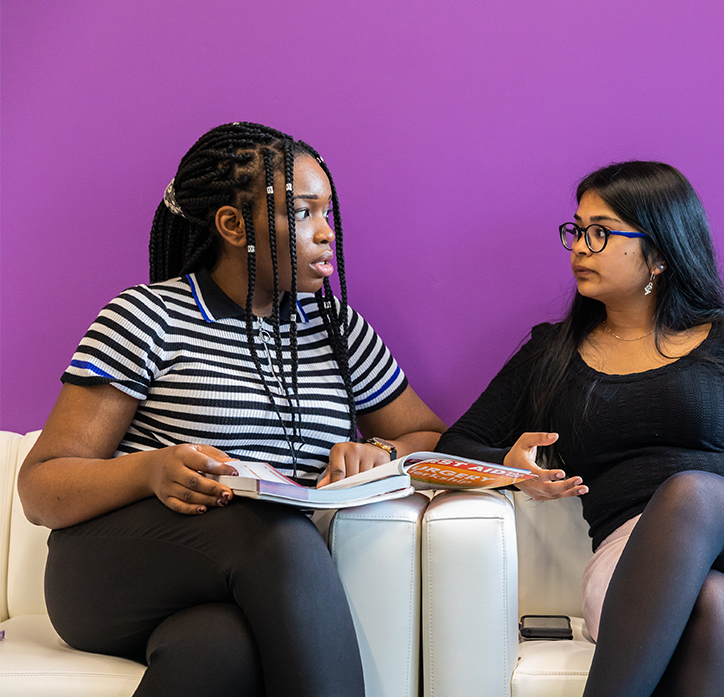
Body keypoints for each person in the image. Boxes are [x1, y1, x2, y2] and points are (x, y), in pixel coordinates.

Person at [18, 122, 447, 697]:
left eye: (328, 214)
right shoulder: (148, 316)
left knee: (218, 649)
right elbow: (41, 489)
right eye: (301, 214)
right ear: (232, 225)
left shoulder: (338, 331)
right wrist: (149, 469)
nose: (326, 234)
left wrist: (380, 451)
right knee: (278, 533)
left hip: (240, 586)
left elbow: (428, 434)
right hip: (111, 572)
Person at [435, 161, 724, 697]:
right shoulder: (549, 354)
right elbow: (454, 446)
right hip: (627, 571)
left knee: (690, 492)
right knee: (713, 604)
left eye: (600, 233)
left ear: (659, 253)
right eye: (577, 230)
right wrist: (508, 471)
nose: (579, 246)